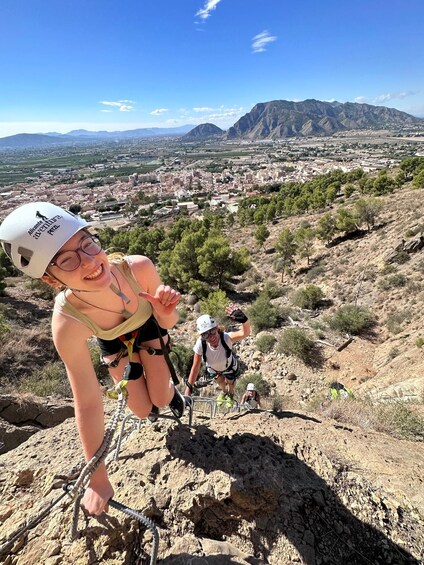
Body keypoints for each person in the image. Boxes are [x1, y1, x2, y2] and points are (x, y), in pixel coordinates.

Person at [0, 201, 190, 516]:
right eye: (68, 260)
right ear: (50, 279)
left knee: (161, 396)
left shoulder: (138, 268)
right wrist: (97, 480)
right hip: (113, 343)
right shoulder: (67, 322)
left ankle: (171, 392)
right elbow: (87, 401)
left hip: (150, 329)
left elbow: (169, 321)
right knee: (142, 411)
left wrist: (167, 312)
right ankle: (155, 389)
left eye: (88, 244)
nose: (90, 262)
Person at [185, 306, 250, 408]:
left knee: (231, 383)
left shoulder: (226, 338)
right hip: (214, 369)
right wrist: (187, 392)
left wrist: (244, 320)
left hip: (229, 366)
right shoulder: (200, 344)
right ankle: (224, 392)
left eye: (212, 331)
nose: (211, 337)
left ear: (217, 328)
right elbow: (195, 367)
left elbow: (244, 333)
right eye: (205, 335)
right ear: (202, 336)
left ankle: (231, 395)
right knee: (220, 382)